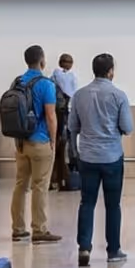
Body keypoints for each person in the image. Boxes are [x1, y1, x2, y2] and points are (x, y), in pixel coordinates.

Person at [68, 53, 134, 267]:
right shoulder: (119, 95)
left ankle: (84, 248)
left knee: (87, 202)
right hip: (112, 157)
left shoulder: (79, 95)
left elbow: (72, 127)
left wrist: (75, 153)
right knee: (113, 205)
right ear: (111, 71)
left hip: (87, 157)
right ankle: (113, 250)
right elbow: (128, 127)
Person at [10, 45, 63, 243]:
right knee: (40, 185)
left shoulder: (18, 82)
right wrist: (53, 140)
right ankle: (39, 230)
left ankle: (18, 228)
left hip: (20, 142)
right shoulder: (46, 84)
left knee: (20, 185)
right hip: (40, 141)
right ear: (42, 61)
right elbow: (50, 116)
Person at [52, 54, 79, 191]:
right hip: (63, 119)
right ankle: (66, 179)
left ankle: (57, 179)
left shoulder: (53, 78)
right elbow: (72, 94)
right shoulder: (63, 76)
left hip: (59, 120)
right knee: (66, 150)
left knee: (59, 151)